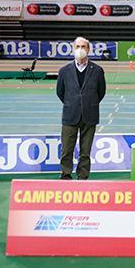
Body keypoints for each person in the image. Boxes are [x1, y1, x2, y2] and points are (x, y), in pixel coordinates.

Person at [56, 37, 106, 180]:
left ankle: (82, 176)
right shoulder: (64, 71)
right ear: (73, 49)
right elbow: (60, 92)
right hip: (70, 115)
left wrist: (89, 103)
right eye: (77, 46)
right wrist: (72, 103)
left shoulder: (97, 70)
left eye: (83, 46)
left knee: (85, 151)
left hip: (90, 115)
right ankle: (65, 174)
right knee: (67, 149)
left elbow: (101, 92)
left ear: (88, 49)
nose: (80, 49)